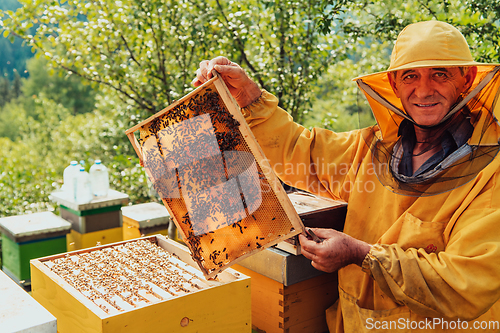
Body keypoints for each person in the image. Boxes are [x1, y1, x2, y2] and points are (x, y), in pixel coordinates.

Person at [192, 20, 500, 332]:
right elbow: (300, 151)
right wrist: (250, 99)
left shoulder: (493, 174)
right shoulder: (373, 147)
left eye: (440, 74)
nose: (423, 89)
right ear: (394, 84)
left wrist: (360, 253)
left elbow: (465, 282)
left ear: (467, 78)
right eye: (410, 76)